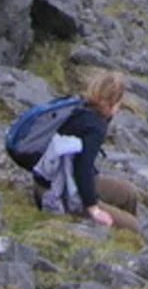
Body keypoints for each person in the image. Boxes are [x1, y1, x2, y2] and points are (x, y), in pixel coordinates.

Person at [33, 70, 139, 233]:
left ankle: (117, 235)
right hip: (60, 193)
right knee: (133, 225)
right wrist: (93, 209)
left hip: (46, 183)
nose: (119, 109)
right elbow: (82, 169)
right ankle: (121, 238)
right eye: (118, 104)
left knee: (129, 193)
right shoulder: (95, 126)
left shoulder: (79, 107)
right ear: (109, 103)